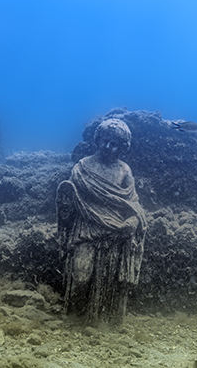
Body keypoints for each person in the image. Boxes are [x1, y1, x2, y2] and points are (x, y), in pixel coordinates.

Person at [56, 118, 146, 325]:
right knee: (81, 275)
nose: (108, 147)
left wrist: (132, 221)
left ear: (123, 147)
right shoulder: (82, 167)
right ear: (97, 140)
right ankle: (73, 316)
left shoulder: (125, 171)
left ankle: (103, 320)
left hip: (116, 231)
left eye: (115, 144)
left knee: (108, 279)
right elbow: (72, 201)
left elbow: (133, 204)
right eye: (105, 141)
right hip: (86, 228)